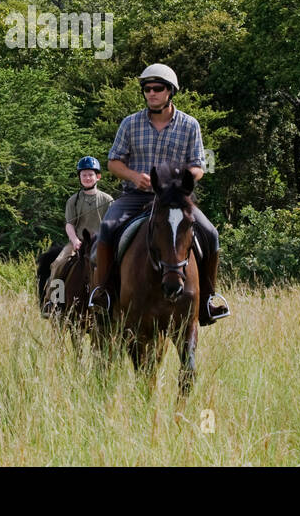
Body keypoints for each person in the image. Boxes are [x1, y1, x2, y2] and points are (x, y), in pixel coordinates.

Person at [87, 64, 231, 324]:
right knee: (107, 228)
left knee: (210, 233)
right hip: (135, 196)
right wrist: (133, 176)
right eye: (147, 89)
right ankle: (104, 294)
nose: (151, 93)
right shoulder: (130, 124)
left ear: (170, 91)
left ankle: (208, 299)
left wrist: (184, 181)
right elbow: (113, 162)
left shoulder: (190, 125)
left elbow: (198, 165)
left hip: (175, 199)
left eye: (157, 88)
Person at [48, 156, 113, 286]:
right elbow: (69, 224)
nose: (87, 178)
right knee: (58, 264)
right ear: (79, 177)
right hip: (78, 243)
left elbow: (111, 225)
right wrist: (75, 241)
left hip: (100, 243)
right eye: (84, 175)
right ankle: (54, 300)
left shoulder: (108, 200)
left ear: (98, 177)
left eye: (90, 174)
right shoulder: (73, 200)